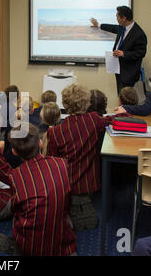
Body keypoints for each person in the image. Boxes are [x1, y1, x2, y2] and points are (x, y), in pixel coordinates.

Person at [0, 123, 76, 256]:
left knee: (18, 215)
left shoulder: (15, 176)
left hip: (30, 246)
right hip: (62, 239)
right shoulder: (61, 163)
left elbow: (16, 209)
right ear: (41, 143)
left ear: (14, 151)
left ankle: (15, 246)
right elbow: (68, 199)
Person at [46, 84, 112, 231]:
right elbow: (115, 120)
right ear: (86, 102)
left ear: (65, 104)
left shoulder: (55, 132)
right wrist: (126, 111)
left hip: (65, 184)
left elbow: (51, 162)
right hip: (88, 184)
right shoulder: (93, 119)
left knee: (86, 222)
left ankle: (66, 211)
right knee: (91, 223)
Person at [91, 6, 147, 94]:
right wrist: (99, 25)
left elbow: (141, 53)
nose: (116, 19)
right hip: (119, 69)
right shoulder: (122, 27)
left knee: (126, 97)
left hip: (129, 73)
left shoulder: (139, 34)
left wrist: (124, 54)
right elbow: (113, 28)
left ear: (124, 18)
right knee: (120, 95)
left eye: (117, 17)